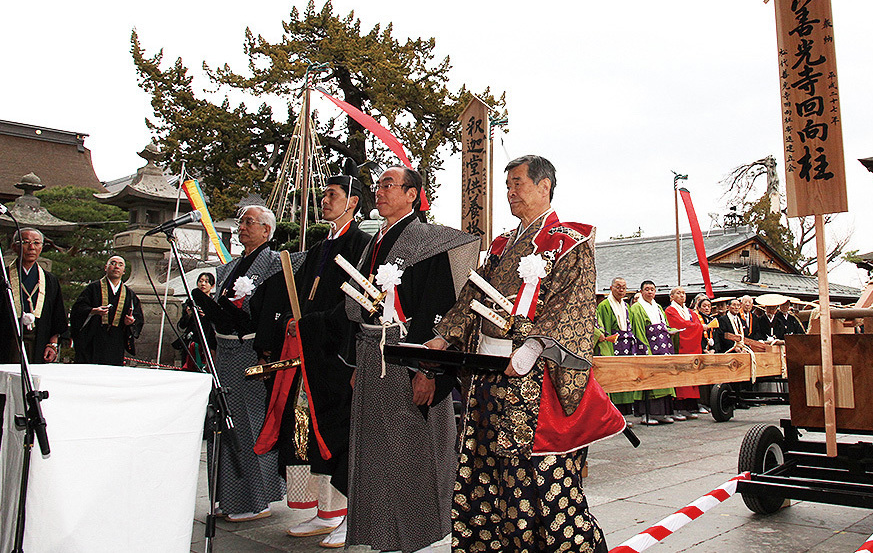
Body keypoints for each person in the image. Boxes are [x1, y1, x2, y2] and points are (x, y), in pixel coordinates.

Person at [427, 155, 615, 553]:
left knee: (537, 474)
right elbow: (474, 293)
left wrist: (534, 345)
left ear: (544, 186)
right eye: (507, 185)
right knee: (485, 467)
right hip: (487, 372)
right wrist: (445, 335)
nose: (510, 192)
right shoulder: (500, 245)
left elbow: (572, 303)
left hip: (534, 376)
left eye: (518, 184)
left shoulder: (570, 239)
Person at [336, 165, 479, 552]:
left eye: (388, 185)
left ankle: (421, 536)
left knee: (413, 450)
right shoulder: (374, 241)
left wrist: (428, 371)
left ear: (413, 194)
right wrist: (355, 365)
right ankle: (381, 532)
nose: (378, 192)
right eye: (377, 185)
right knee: (375, 452)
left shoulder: (428, 241)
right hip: (371, 354)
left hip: (408, 355)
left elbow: (439, 310)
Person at [255, 164, 371, 546]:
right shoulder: (320, 248)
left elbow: (354, 302)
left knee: (337, 429)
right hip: (309, 350)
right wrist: (291, 321)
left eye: (332, 195)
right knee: (305, 426)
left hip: (339, 351)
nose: (324, 201)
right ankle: (322, 511)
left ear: (353, 202)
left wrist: (312, 325)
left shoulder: (360, 245)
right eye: (323, 195)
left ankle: (347, 513)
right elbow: (299, 294)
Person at [195, 205, 286, 523]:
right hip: (225, 351)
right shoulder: (227, 269)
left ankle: (256, 499)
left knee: (250, 423)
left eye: (250, 222)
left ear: (267, 230)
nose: (242, 227)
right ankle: (228, 497)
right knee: (222, 422)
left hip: (251, 351)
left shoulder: (275, 264)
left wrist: (268, 352)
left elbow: (275, 311)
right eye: (241, 222)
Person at [0, 229, 66, 365]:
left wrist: (53, 344)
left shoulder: (50, 280)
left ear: (41, 247)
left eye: (36, 243)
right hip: (6, 340)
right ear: (14, 246)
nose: (31, 247)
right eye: (25, 242)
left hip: (39, 340)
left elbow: (57, 314)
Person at [69, 255, 143, 365]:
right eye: (113, 263)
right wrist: (93, 311)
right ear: (106, 268)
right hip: (92, 339)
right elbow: (77, 309)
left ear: (124, 271)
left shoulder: (129, 294)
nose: (116, 267)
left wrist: (131, 322)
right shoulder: (93, 288)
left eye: (120, 265)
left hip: (116, 341)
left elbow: (138, 318)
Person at [629, 280, 677, 425]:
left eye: (652, 289)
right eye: (647, 289)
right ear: (641, 291)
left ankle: (662, 413)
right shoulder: (637, 308)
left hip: (663, 347)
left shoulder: (658, 307)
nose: (650, 292)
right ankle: (647, 413)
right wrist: (644, 349)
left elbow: (665, 325)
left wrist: (670, 331)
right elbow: (638, 330)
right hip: (649, 345)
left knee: (664, 378)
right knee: (648, 378)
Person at [595, 277, 642, 419]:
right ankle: (614, 415)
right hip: (613, 344)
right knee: (614, 378)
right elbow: (604, 328)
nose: (621, 290)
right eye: (618, 287)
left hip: (627, 344)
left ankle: (626, 413)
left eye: (624, 287)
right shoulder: (604, 306)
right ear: (611, 288)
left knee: (625, 377)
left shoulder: (626, 306)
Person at [665, 288, 704, 420]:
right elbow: (680, 325)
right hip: (681, 347)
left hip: (692, 348)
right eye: (678, 293)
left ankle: (690, 407)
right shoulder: (669, 311)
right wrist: (695, 327)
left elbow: (696, 324)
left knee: (691, 379)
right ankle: (679, 408)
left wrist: (694, 326)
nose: (681, 295)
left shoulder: (690, 311)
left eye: (683, 293)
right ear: (671, 297)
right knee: (680, 379)